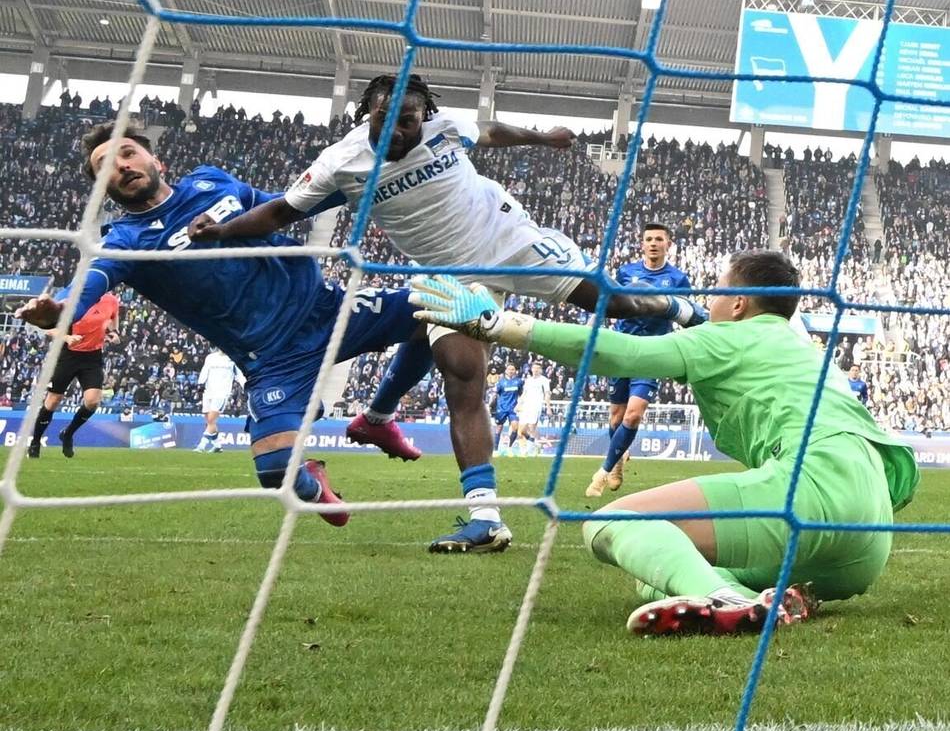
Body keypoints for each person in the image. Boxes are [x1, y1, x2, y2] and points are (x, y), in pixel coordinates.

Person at [188, 73, 706, 554]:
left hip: (512, 242)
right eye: (381, 118)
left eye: (406, 120)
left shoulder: (445, 126)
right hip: (450, 277)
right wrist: (223, 232)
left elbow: (490, 131)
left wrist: (542, 137)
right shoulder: (340, 161)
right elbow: (282, 210)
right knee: (462, 375)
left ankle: (684, 308)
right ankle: (484, 517)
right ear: (366, 113)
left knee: (613, 302)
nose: (394, 129)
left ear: (423, 114)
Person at [408, 250, 919, 636]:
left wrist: (501, 325)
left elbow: (623, 352)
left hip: (811, 489)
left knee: (610, 523)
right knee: (657, 573)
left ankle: (719, 597)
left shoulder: (730, 336)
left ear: (738, 304)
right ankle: (765, 600)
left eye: (715, 291)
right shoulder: (802, 348)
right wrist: (679, 309)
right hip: (868, 536)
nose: (707, 299)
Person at [15, 120, 457, 528]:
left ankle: (378, 418)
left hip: (327, 309)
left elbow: (283, 208)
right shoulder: (125, 241)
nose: (121, 166)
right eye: (105, 166)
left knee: (439, 310)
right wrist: (60, 311)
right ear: (102, 191)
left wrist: (355, 186)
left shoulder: (212, 180)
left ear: (155, 160)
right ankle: (312, 479)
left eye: (127, 153)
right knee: (273, 473)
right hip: (272, 358)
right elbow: (89, 286)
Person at [587, 222, 693, 497]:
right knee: (615, 418)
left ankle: (602, 472)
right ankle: (619, 462)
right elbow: (613, 304)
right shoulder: (626, 273)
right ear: (642, 244)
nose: (654, 243)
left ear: (669, 244)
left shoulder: (678, 279)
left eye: (659, 239)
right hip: (623, 348)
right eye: (649, 239)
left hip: (652, 352)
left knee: (633, 415)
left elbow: (684, 314)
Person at [27, 292, 120, 459]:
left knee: (93, 402)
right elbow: (49, 329)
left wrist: (114, 333)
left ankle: (68, 434)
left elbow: (113, 318)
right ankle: (35, 442)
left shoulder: (111, 300)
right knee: (52, 401)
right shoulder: (70, 301)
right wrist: (67, 337)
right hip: (68, 355)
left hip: (92, 357)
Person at [195, 348, 245, 452]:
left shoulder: (233, 359)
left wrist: (246, 386)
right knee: (208, 420)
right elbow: (205, 370)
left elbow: (240, 375)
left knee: (211, 420)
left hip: (222, 393)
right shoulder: (211, 357)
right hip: (208, 392)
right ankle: (217, 445)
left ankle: (202, 445)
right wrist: (200, 384)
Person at [516, 361, 551, 456]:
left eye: (537, 368)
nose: (535, 370)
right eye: (534, 368)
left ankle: (526, 451)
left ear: (541, 370)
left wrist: (548, 407)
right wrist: (519, 404)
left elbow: (547, 394)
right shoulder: (528, 380)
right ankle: (536, 444)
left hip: (536, 406)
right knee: (521, 431)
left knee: (532, 428)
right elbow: (524, 393)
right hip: (526, 406)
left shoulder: (544, 380)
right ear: (531, 369)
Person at [491, 362, 522, 455]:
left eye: (513, 369)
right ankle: (495, 450)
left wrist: (520, 405)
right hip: (502, 408)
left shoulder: (519, 381)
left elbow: (521, 394)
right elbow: (495, 394)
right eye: (509, 369)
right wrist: (490, 404)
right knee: (499, 428)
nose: (511, 371)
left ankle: (509, 447)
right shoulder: (501, 382)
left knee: (515, 428)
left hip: (513, 409)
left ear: (515, 371)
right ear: (506, 371)